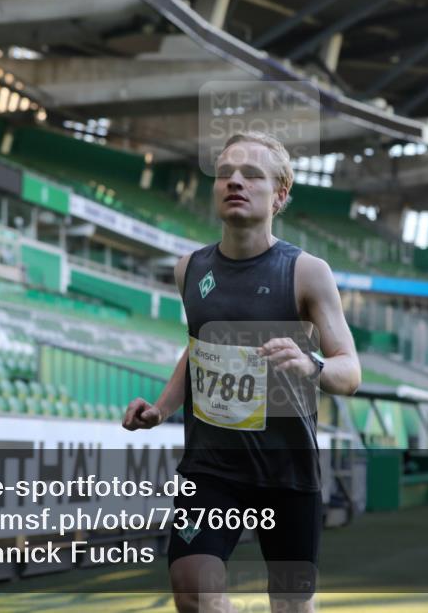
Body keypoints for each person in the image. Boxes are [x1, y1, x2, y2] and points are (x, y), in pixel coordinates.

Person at [122, 131, 361, 613]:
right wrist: (162, 407)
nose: (235, 181)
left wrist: (311, 364)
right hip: (211, 467)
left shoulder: (306, 272)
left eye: (252, 174)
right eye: (226, 172)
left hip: (285, 470)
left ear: (280, 194)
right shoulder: (189, 268)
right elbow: (198, 347)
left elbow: (350, 371)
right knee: (193, 592)